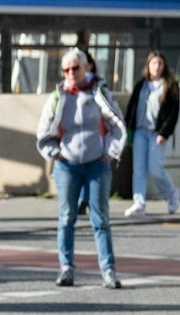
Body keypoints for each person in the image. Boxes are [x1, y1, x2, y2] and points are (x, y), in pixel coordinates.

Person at [38, 48, 127, 290]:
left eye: (75, 68)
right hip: (67, 165)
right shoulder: (59, 95)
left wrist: (109, 152)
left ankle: (108, 270)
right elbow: (44, 128)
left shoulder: (99, 91)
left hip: (97, 164)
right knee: (66, 217)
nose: (70, 73)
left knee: (100, 219)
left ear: (86, 68)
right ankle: (66, 268)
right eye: (66, 69)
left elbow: (117, 124)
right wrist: (54, 153)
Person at [123, 51, 180, 219]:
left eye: (160, 63)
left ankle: (171, 194)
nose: (157, 67)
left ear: (164, 66)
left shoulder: (169, 85)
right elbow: (132, 107)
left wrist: (164, 132)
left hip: (156, 132)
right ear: (148, 66)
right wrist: (128, 128)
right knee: (139, 169)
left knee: (156, 168)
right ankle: (139, 202)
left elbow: (173, 112)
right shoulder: (141, 85)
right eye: (153, 63)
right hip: (140, 130)